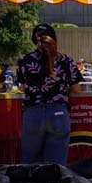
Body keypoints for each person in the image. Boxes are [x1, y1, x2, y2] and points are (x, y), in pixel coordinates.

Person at [15, 24, 83, 164]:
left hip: (33, 113)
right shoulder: (66, 60)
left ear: (34, 40)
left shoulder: (24, 60)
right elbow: (76, 88)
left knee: (29, 162)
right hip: (58, 113)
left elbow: (21, 87)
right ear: (54, 39)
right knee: (56, 165)